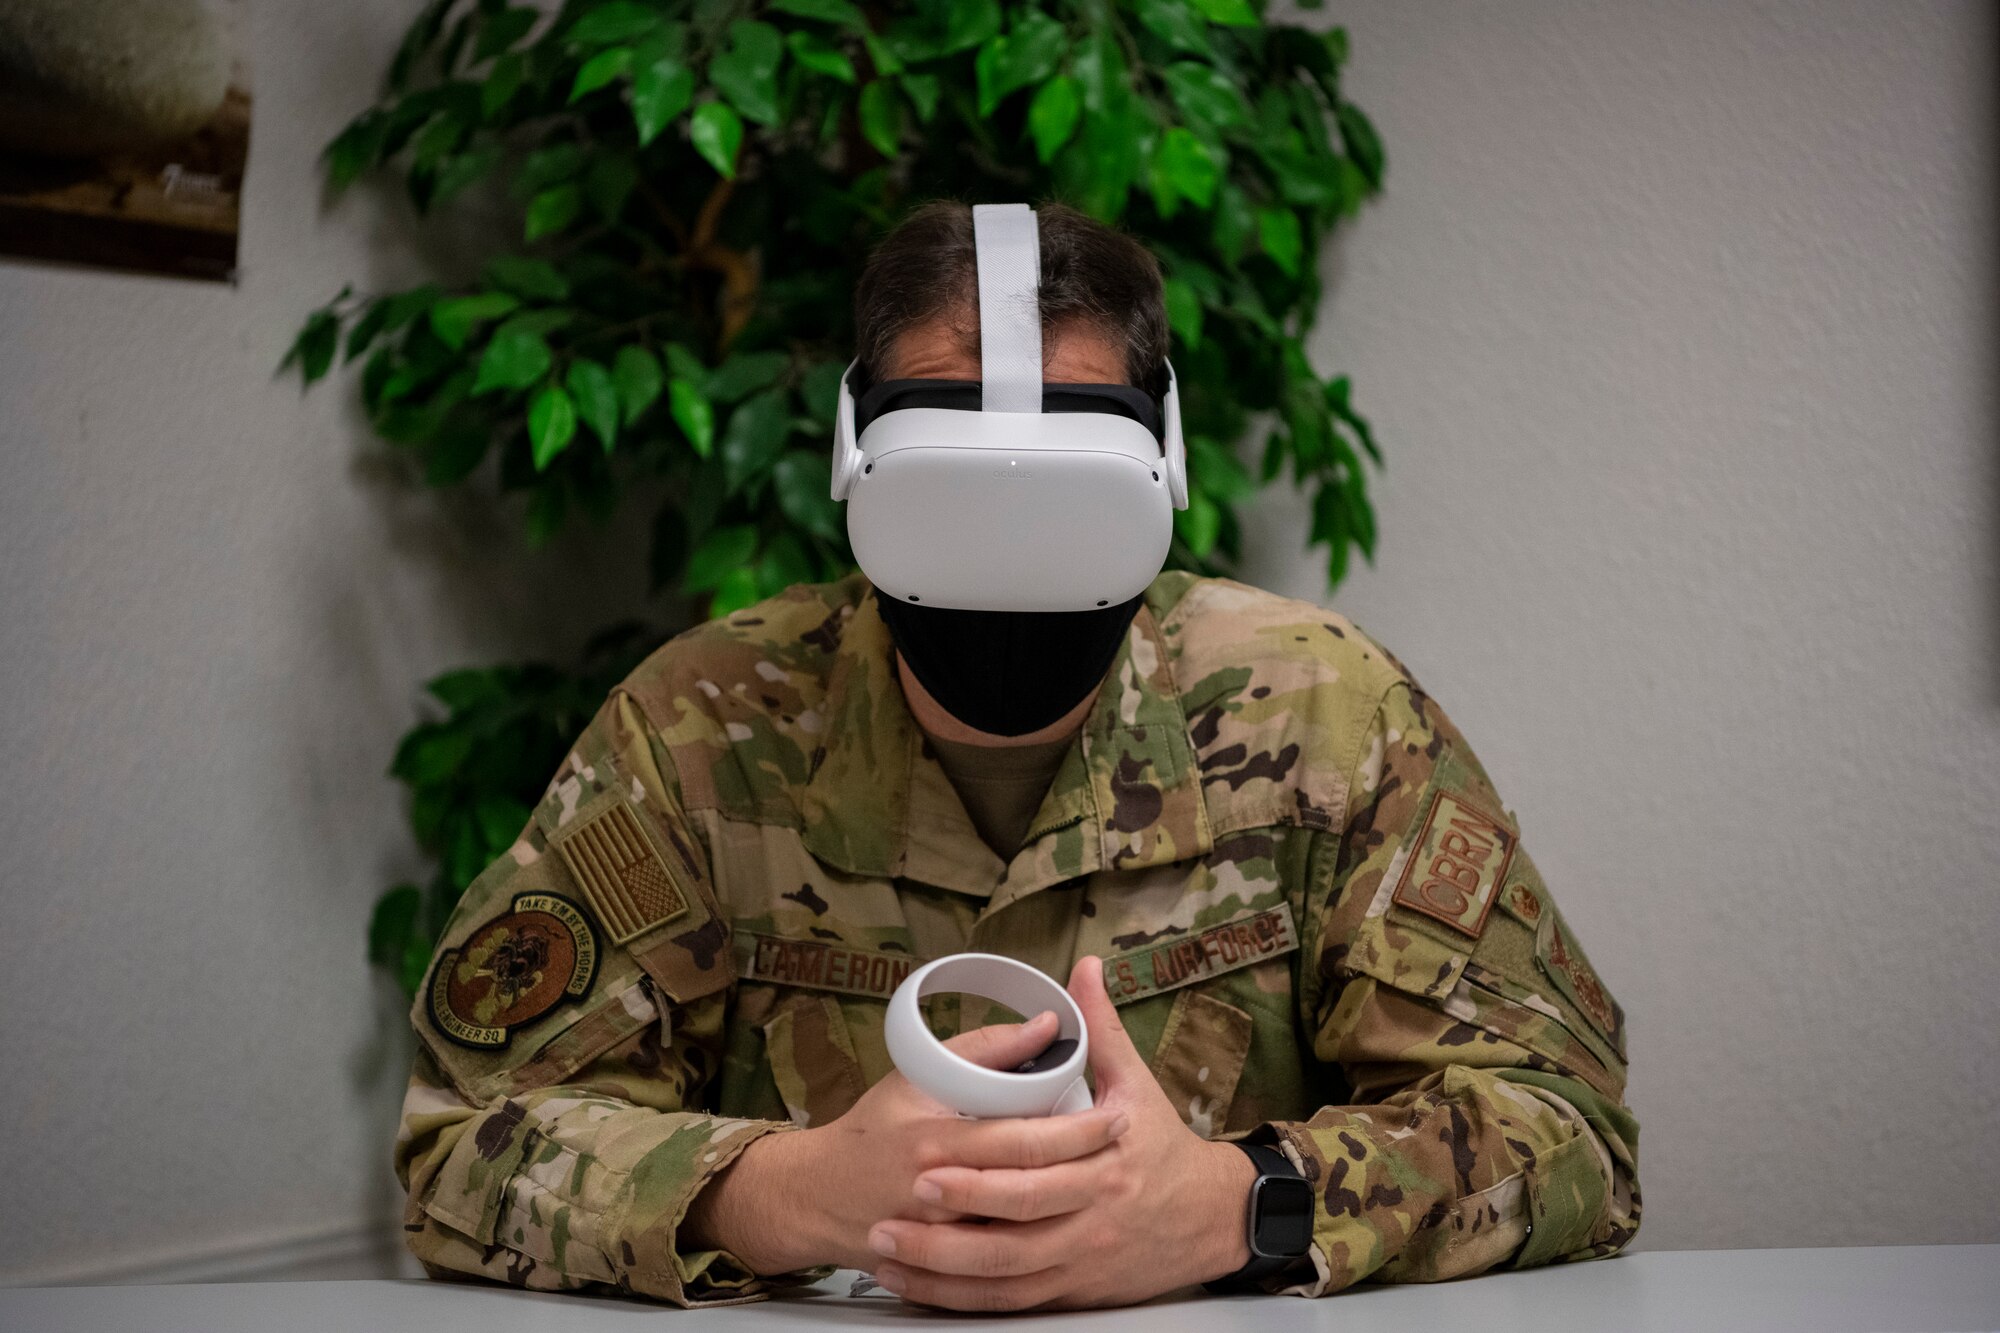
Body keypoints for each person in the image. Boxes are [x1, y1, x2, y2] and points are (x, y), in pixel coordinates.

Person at [393, 201, 1640, 1312]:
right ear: (859, 464)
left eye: (1060, 503)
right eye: (955, 498)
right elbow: (462, 1140)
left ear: (1159, 465)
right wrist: (789, 1192)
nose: (1006, 559)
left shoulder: (1320, 715)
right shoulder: (704, 728)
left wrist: (1234, 1205)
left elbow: (1569, 1127)